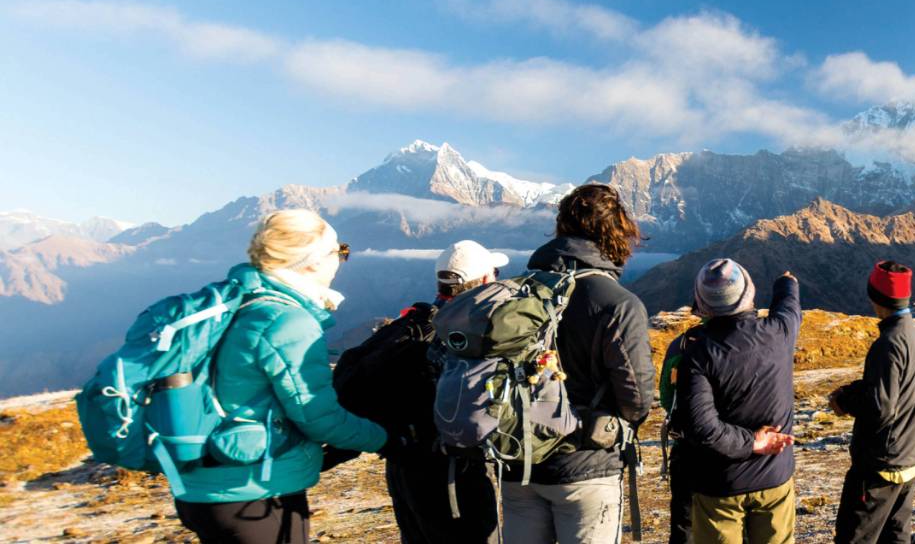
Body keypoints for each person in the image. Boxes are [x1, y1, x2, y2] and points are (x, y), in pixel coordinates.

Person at [172, 209, 390, 544]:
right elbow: (319, 417)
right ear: (313, 260)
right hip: (252, 493)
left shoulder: (238, 300)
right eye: (340, 251)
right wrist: (385, 438)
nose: (342, 260)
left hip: (200, 484)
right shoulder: (287, 321)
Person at [503, 184, 657, 544]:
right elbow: (637, 399)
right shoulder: (617, 303)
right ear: (617, 234)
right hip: (585, 466)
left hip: (517, 463)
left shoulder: (517, 291)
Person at [335, 240, 508, 543]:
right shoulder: (462, 337)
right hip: (451, 471)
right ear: (484, 280)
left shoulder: (416, 322)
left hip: (402, 464)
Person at [680, 259, 801, 544]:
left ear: (702, 303)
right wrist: (786, 281)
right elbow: (789, 304)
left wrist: (750, 442)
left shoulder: (697, 356)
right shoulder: (779, 332)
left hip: (719, 486)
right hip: (774, 475)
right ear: (748, 293)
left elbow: (702, 428)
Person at [828, 261, 915, 544]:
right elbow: (899, 388)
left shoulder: (887, 344)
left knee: (856, 538)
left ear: (875, 297)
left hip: (880, 466)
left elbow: (880, 407)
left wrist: (844, 401)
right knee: (896, 537)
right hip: (909, 458)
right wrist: (855, 390)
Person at [659, 318, 703, 544]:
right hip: (737, 449)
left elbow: (667, 398)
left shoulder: (681, 344)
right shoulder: (748, 339)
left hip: (686, 446)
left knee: (684, 522)